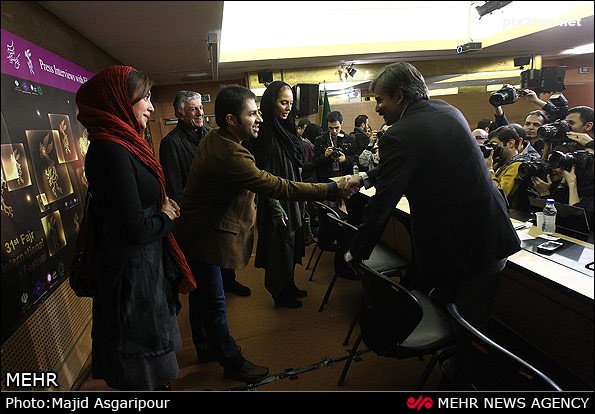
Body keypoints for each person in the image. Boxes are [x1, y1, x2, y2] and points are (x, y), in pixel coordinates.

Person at [172, 84, 351, 382]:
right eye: (253, 113)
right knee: (214, 303)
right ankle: (231, 360)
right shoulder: (230, 153)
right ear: (231, 120)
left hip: (196, 233)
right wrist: (333, 187)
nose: (260, 119)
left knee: (204, 300)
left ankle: (206, 348)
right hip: (202, 237)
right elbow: (278, 185)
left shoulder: (216, 137)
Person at [344, 62, 520, 330]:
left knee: (466, 326)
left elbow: (382, 204)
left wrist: (355, 253)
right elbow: (412, 159)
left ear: (399, 96)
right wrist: (366, 177)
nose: (377, 108)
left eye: (379, 100)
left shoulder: (399, 134)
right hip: (487, 234)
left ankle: (458, 357)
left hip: (468, 247)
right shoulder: (447, 110)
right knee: (461, 313)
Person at [76, 65, 196, 390]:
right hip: (131, 278)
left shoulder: (122, 143)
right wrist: (166, 216)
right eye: (145, 98)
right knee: (143, 375)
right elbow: (134, 229)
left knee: (153, 374)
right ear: (120, 99)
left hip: (142, 269)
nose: (151, 107)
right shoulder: (110, 150)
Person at [159, 90, 251, 298]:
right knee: (204, 272)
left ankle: (230, 282)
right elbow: (174, 186)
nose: (200, 113)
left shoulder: (212, 134)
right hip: (194, 216)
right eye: (194, 109)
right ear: (180, 114)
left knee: (223, 251)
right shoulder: (171, 143)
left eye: (201, 108)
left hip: (219, 208)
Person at [251, 81, 312, 308]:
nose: (288, 108)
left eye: (291, 103)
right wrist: (276, 208)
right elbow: (262, 175)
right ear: (271, 103)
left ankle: (289, 283)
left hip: (292, 198)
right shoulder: (265, 133)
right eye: (283, 102)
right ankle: (279, 292)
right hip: (276, 203)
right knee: (279, 249)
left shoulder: (287, 130)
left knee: (292, 245)